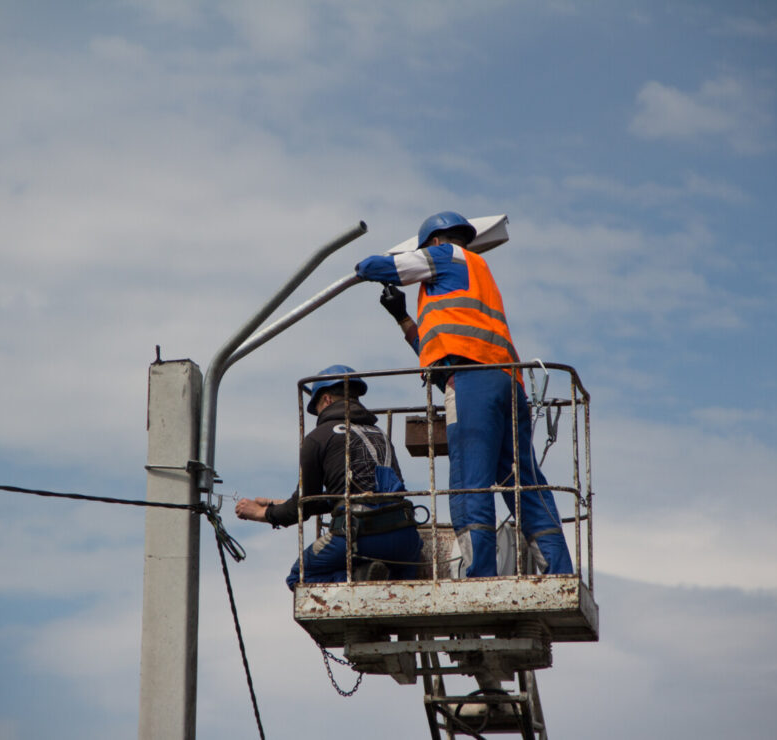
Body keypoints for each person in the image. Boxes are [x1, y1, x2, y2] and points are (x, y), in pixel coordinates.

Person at [354, 211, 573, 578]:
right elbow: (436, 349)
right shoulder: (475, 274)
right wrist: (403, 319)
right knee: (524, 484)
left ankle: (478, 575)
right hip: (509, 382)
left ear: (435, 242)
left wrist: (361, 265)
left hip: (473, 381)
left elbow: (378, 266)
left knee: (470, 481)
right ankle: (560, 570)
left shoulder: (447, 256)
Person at [235, 364, 424, 590]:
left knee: (299, 577)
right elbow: (361, 494)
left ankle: (359, 575)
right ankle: (378, 580)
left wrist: (262, 513)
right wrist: (278, 503)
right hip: (405, 538)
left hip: (358, 536)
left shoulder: (318, 437)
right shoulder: (380, 435)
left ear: (325, 399)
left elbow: (303, 506)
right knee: (402, 588)